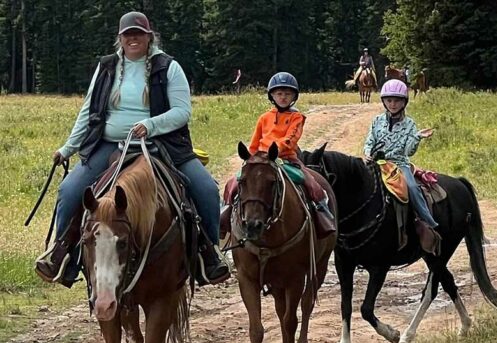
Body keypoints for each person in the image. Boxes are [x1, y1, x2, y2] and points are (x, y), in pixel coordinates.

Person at [35, 11, 229, 287]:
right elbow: (88, 112)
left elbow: (182, 112)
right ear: (120, 38)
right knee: (69, 190)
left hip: (161, 144)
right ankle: (63, 254)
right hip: (109, 144)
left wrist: (150, 125)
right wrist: (68, 148)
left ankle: (209, 255)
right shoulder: (106, 67)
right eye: (128, 35)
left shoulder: (168, 67)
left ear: (149, 37)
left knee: (206, 189)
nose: (133, 39)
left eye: (138, 34)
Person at [220, 72, 335, 237]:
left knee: (314, 185)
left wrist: (273, 151)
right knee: (232, 183)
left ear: (294, 96)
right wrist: (252, 159)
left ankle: (323, 216)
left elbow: (290, 139)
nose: (283, 98)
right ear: (272, 95)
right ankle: (225, 216)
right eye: (279, 94)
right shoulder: (264, 118)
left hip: (287, 159)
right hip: (260, 160)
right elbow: (254, 143)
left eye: (287, 94)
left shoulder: (297, 117)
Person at [363, 79, 439, 230]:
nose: (393, 104)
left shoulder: (410, 124)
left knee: (411, 187)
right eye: (389, 100)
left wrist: (417, 137)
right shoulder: (376, 121)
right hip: (376, 163)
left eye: (397, 101)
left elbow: (408, 151)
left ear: (404, 102)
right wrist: (366, 152)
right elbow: (369, 140)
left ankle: (429, 221)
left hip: (399, 164)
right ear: (384, 101)